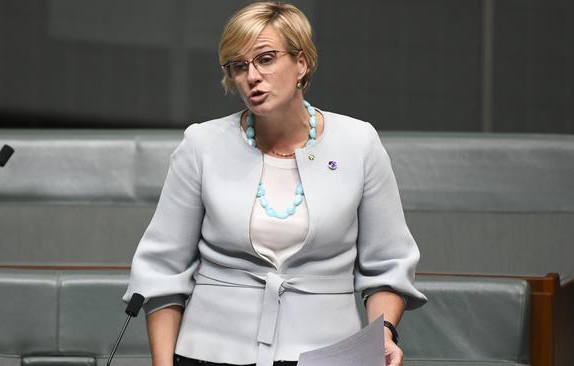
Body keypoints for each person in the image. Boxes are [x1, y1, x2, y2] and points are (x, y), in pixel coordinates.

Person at [124, 2, 426, 366]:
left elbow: (388, 266)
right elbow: (161, 273)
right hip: (210, 352)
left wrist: (383, 333)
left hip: (328, 354)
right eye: (238, 66)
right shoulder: (201, 144)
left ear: (302, 63)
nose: (251, 76)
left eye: (266, 59)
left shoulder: (358, 142)